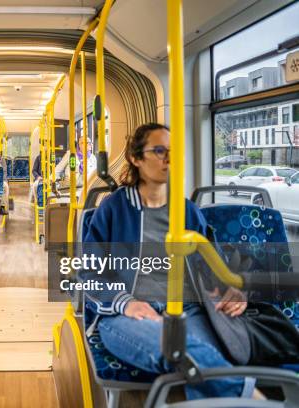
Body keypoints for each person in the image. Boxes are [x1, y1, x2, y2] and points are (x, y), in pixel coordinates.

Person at [83, 123, 257, 401]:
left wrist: (231, 291)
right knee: (185, 353)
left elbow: (212, 269)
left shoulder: (187, 212)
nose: (169, 159)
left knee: (209, 355)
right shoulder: (114, 208)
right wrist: (126, 303)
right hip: (127, 313)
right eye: (160, 150)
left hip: (187, 308)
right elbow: (88, 272)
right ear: (136, 158)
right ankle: (254, 400)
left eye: (174, 151)